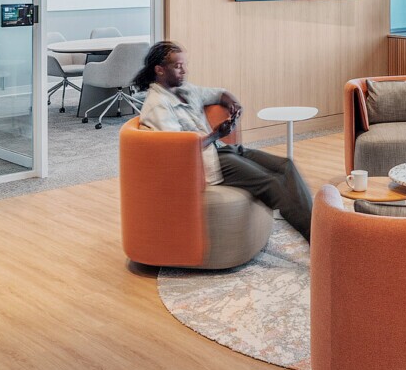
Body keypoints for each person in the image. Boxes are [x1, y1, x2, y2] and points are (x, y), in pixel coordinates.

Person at [134, 40, 312, 240]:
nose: (184, 71)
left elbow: (218, 94)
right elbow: (179, 149)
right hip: (203, 163)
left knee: (286, 165)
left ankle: (319, 224)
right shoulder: (157, 105)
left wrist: (233, 103)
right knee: (271, 182)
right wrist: (216, 135)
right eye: (178, 66)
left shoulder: (184, 90)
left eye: (184, 64)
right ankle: (317, 238)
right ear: (159, 70)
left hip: (219, 149)